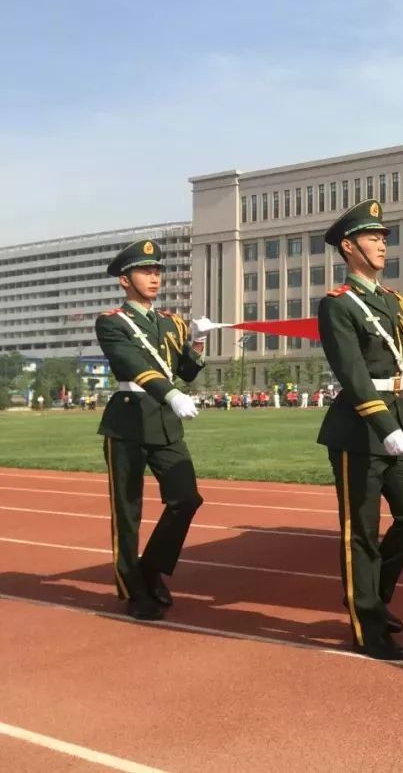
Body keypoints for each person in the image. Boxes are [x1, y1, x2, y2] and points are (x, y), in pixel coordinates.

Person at [317, 199, 403, 661]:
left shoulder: (390, 301)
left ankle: (372, 597)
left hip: (395, 419)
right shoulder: (338, 305)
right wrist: (382, 421)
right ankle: (367, 627)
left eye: (383, 237)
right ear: (348, 246)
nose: (382, 243)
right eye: (373, 236)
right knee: (359, 530)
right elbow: (352, 372)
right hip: (358, 429)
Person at [95, 238, 212, 621]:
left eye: (158, 271)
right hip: (128, 419)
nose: (155, 277)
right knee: (127, 512)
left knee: (186, 498)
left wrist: (197, 341)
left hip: (164, 422)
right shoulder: (112, 322)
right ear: (124, 280)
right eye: (146, 271)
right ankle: (133, 589)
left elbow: (187, 371)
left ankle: (152, 567)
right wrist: (171, 394)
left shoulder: (170, 322)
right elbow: (130, 363)